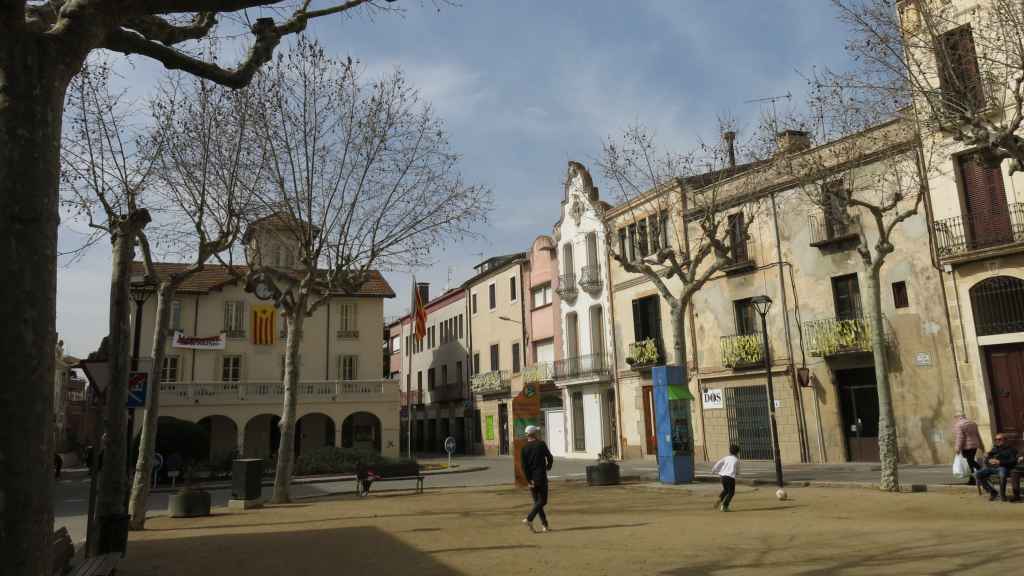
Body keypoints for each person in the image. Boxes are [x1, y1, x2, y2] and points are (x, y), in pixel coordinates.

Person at [520, 425, 553, 533]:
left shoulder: (524, 448)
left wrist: (529, 480)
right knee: (543, 500)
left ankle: (545, 525)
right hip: (541, 477)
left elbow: (523, 467)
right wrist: (548, 467)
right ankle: (529, 519)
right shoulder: (541, 444)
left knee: (537, 503)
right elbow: (550, 457)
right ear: (534, 433)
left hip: (531, 479)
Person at [975, 433, 1018, 502]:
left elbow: (1013, 461)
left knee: (1002, 475)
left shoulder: (1011, 449)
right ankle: (992, 492)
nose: (997, 441)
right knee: (978, 474)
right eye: (996, 439)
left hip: (1003, 467)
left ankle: (1002, 495)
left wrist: (999, 462)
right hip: (992, 467)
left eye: (999, 439)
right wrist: (987, 456)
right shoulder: (995, 448)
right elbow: (990, 454)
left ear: (1005, 440)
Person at [952, 413, 984, 484]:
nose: (955, 419)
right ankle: (973, 479)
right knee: (970, 461)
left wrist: (957, 448)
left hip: (966, 446)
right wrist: (982, 446)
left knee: (970, 461)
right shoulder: (973, 423)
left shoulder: (959, 425)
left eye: (955, 417)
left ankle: (981, 472)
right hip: (975, 445)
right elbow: (977, 435)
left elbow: (960, 437)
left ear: (958, 417)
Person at [712, 444, 741, 512]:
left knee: (726, 490)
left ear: (730, 451)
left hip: (722, 477)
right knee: (731, 492)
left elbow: (718, 463)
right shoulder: (736, 460)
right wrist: (737, 473)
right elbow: (738, 470)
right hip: (730, 477)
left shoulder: (726, 458)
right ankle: (725, 506)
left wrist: (713, 470)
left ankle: (720, 499)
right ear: (737, 452)